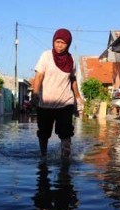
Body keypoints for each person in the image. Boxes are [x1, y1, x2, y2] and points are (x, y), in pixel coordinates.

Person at [32, 28, 84, 159]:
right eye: (57, 42)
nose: (59, 45)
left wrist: (78, 97)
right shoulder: (46, 56)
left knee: (66, 134)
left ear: (68, 44)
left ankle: (65, 159)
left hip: (65, 103)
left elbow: (73, 80)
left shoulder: (71, 60)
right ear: (53, 41)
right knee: (43, 134)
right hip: (46, 103)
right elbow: (38, 76)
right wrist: (35, 93)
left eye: (63, 43)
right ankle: (43, 156)